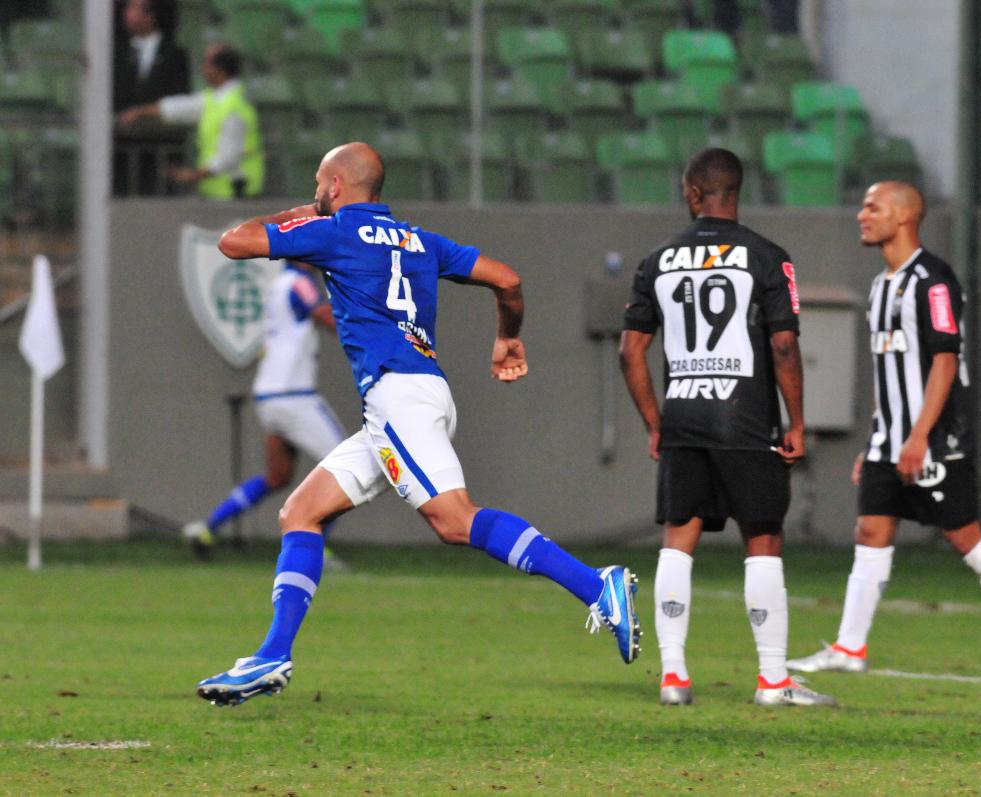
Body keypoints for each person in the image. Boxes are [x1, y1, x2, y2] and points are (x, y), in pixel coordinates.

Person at [194, 142, 641, 706]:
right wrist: (507, 337)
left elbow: (234, 242)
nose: (315, 192)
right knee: (300, 512)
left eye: (317, 183)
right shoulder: (421, 241)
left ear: (335, 187)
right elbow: (506, 279)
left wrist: (298, 215)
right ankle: (271, 655)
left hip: (397, 399)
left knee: (455, 522)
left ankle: (597, 585)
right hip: (417, 394)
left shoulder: (331, 231)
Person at [788, 182, 981, 679]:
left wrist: (920, 435)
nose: (862, 214)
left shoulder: (933, 281)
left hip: (933, 440)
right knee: (870, 530)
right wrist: (877, 439)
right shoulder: (880, 285)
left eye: (873, 206)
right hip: (891, 440)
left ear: (904, 217)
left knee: (966, 538)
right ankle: (849, 648)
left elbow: (945, 362)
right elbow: (887, 376)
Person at [619, 148, 834, 708]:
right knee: (762, 542)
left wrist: (654, 423)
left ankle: (672, 677)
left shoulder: (656, 261)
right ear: (735, 192)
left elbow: (631, 351)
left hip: (685, 415)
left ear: (693, 193)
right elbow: (784, 345)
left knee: (678, 539)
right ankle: (771, 681)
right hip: (745, 417)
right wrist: (797, 422)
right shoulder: (768, 258)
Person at [182, 262, 348, 558]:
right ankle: (314, 549)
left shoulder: (277, 284)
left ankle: (209, 529)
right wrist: (369, 329)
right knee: (348, 466)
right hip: (294, 395)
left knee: (277, 476)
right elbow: (324, 315)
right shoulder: (300, 281)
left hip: (269, 396)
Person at [118, 43, 264, 199]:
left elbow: (228, 155)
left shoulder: (233, 106)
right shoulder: (214, 98)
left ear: (218, 70)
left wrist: (193, 175)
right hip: (219, 192)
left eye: (206, 63)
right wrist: (140, 111)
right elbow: (180, 107)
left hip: (238, 193)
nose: (203, 69)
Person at [113, 0, 190, 113]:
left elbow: (180, 97)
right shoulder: (118, 52)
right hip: (120, 126)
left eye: (132, 8)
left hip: (160, 127)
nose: (126, 13)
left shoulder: (174, 54)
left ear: (150, 16)